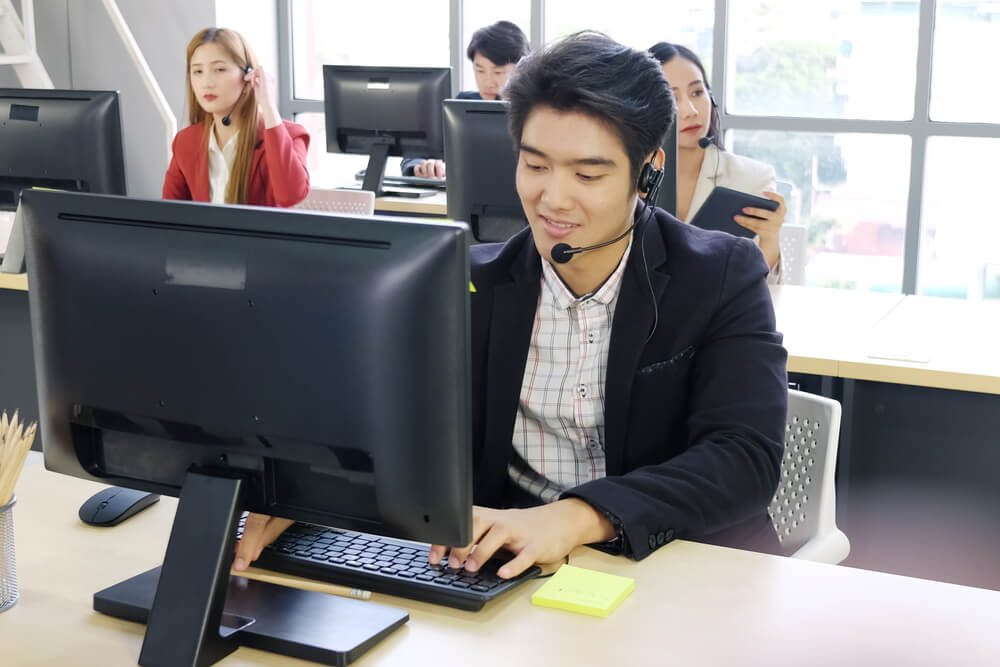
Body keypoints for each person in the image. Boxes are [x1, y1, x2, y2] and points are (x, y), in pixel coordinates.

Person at [235, 32, 787, 579]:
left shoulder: (720, 273)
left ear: (647, 171)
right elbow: (385, 414)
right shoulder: (470, 282)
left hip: (685, 571)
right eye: (536, 165)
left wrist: (578, 517)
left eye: (588, 174)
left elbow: (743, 458)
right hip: (520, 574)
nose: (553, 197)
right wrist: (307, 488)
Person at [649, 42, 786, 283]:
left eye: (697, 92)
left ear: (710, 97)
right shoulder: (627, 180)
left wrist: (770, 237)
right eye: (671, 98)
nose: (690, 110)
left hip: (722, 317)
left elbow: (763, 288)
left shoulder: (752, 178)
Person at [163, 27, 310, 207]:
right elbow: (170, 215)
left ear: (248, 75)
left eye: (219, 69)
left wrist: (268, 106)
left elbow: (290, 195)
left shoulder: (291, 135)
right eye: (198, 71)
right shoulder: (186, 141)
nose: (206, 83)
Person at [402, 20, 530, 179]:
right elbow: (414, 154)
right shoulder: (463, 107)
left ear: (520, 70)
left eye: (498, 72)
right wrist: (421, 167)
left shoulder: (533, 113)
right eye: (480, 70)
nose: (488, 82)